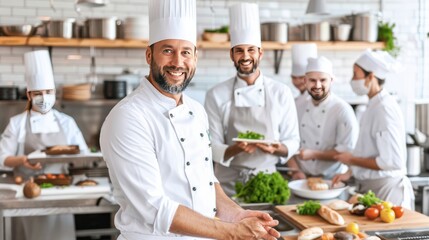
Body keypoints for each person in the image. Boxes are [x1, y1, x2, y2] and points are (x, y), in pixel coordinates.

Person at [99, 0, 280, 239]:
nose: (177, 62)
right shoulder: (129, 117)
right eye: (167, 50)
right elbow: (154, 209)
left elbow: (205, 179)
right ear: (149, 54)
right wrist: (233, 232)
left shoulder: (196, 110)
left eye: (185, 52)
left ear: (195, 57)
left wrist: (236, 215)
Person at [204, 2, 300, 196]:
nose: (245, 56)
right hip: (228, 186)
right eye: (239, 50)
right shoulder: (216, 94)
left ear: (260, 53)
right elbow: (210, 147)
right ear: (231, 54)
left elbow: (293, 140)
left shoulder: (281, 92)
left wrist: (276, 148)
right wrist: (235, 149)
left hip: (267, 182)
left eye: (251, 50)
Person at [0, 50, 88, 240]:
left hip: (60, 192)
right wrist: (22, 160)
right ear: (29, 94)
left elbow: (83, 155)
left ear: (55, 93)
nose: (44, 97)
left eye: (48, 92)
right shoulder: (17, 123)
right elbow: (2, 158)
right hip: (27, 193)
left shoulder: (67, 122)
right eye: (38, 93)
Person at [333, 50, 415, 209]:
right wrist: (349, 173)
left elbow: (391, 161)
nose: (352, 80)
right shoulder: (372, 105)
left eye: (356, 75)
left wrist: (351, 159)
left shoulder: (385, 109)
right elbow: (369, 151)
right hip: (372, 189)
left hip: (387, 191)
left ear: (371, 77)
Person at [286, 56, 359, 180]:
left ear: (331, 80)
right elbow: (287, 141)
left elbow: (347, 152)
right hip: (301, 178)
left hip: (333, 179)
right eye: (312, 80)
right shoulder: (296, 106)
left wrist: (314, 154)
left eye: (323, 80)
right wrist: (295, 171)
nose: (317, 85)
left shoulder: (342, 110)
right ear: (305, 81)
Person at [290, 43, 317, 119]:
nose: (297, 81)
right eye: (294, 77)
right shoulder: (296, 100)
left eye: (301, 77)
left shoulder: (315, 100)